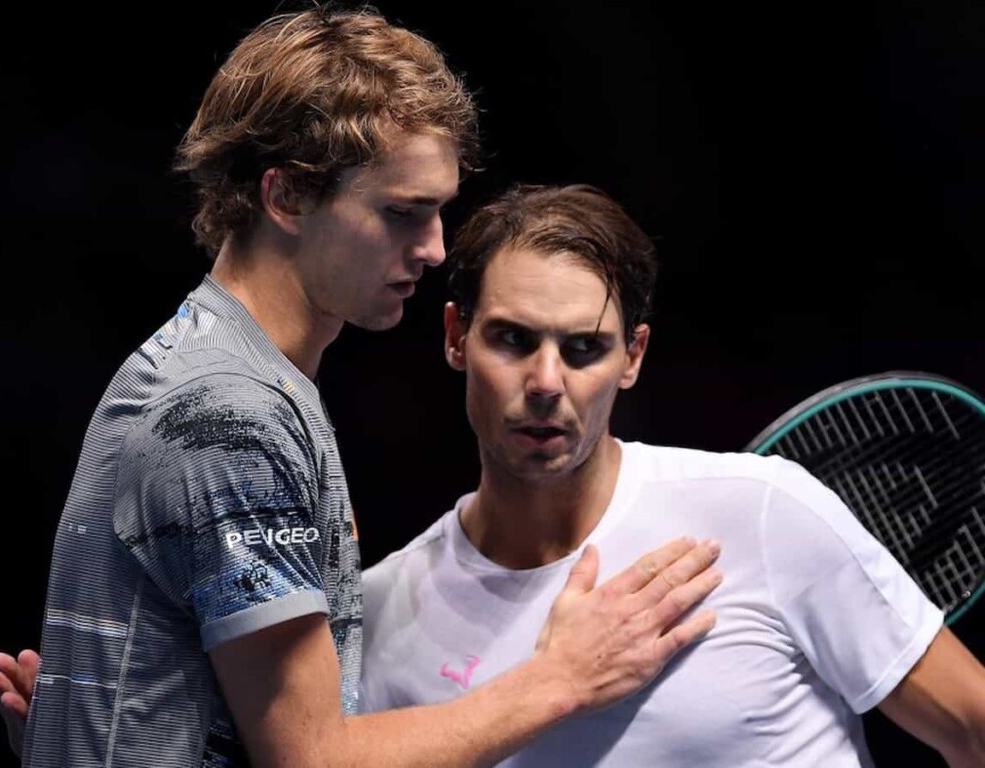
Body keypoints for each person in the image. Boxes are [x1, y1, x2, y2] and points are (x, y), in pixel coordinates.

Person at [0, 8, 724, 768]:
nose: (434, 248)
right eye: (403, 213)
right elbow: (312, 759)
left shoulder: (199, 370)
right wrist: (561, 680)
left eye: (437, 212)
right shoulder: (228, 416)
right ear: (288, 197)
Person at [356, 183, 985, 766]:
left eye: (584, 348)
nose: (546, 383)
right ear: (456, 337)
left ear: (633, 356)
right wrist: (558, 682)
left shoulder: (764, 509)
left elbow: (972, 725)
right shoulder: (382, 613)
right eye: (513, 340)